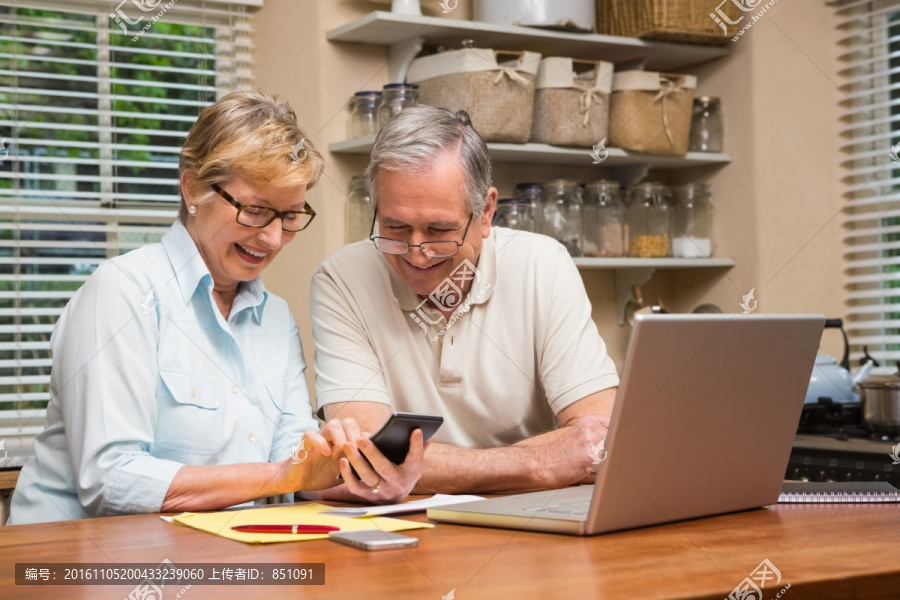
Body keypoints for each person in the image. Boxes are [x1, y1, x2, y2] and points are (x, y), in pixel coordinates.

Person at [8, 91, 425, 525]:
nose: (273, 239)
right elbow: (111, 481)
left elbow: (294, 465)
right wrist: (281, 475)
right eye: (256, 211)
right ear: (193, 189)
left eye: (290, 216)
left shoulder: (276, 318)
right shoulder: (122, 293)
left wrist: (368, 480)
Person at [309, 105, 619, 496]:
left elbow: (600, 439)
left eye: (440, 230)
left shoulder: (544, 263)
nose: (416, 252)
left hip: (534, 527)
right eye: (394, 227)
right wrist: (539, 462)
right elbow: (365, 457)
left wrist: (427, 467)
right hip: (414, 528)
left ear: (486, 212)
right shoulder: (342, 278)